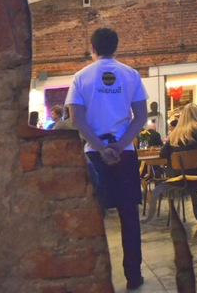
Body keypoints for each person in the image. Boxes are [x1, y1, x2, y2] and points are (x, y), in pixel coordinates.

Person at [66, 27, 148, 291]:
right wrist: (120, 145)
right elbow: (141, 116)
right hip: (125, 153)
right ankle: (133, 276)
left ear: (92, 48)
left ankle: (95, 277)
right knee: (129, 218)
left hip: (94, 154)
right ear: (116, 47)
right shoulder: (131, 74)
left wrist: (101, 148)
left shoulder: (80, 77)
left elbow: (76, 119)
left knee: (94, 218)